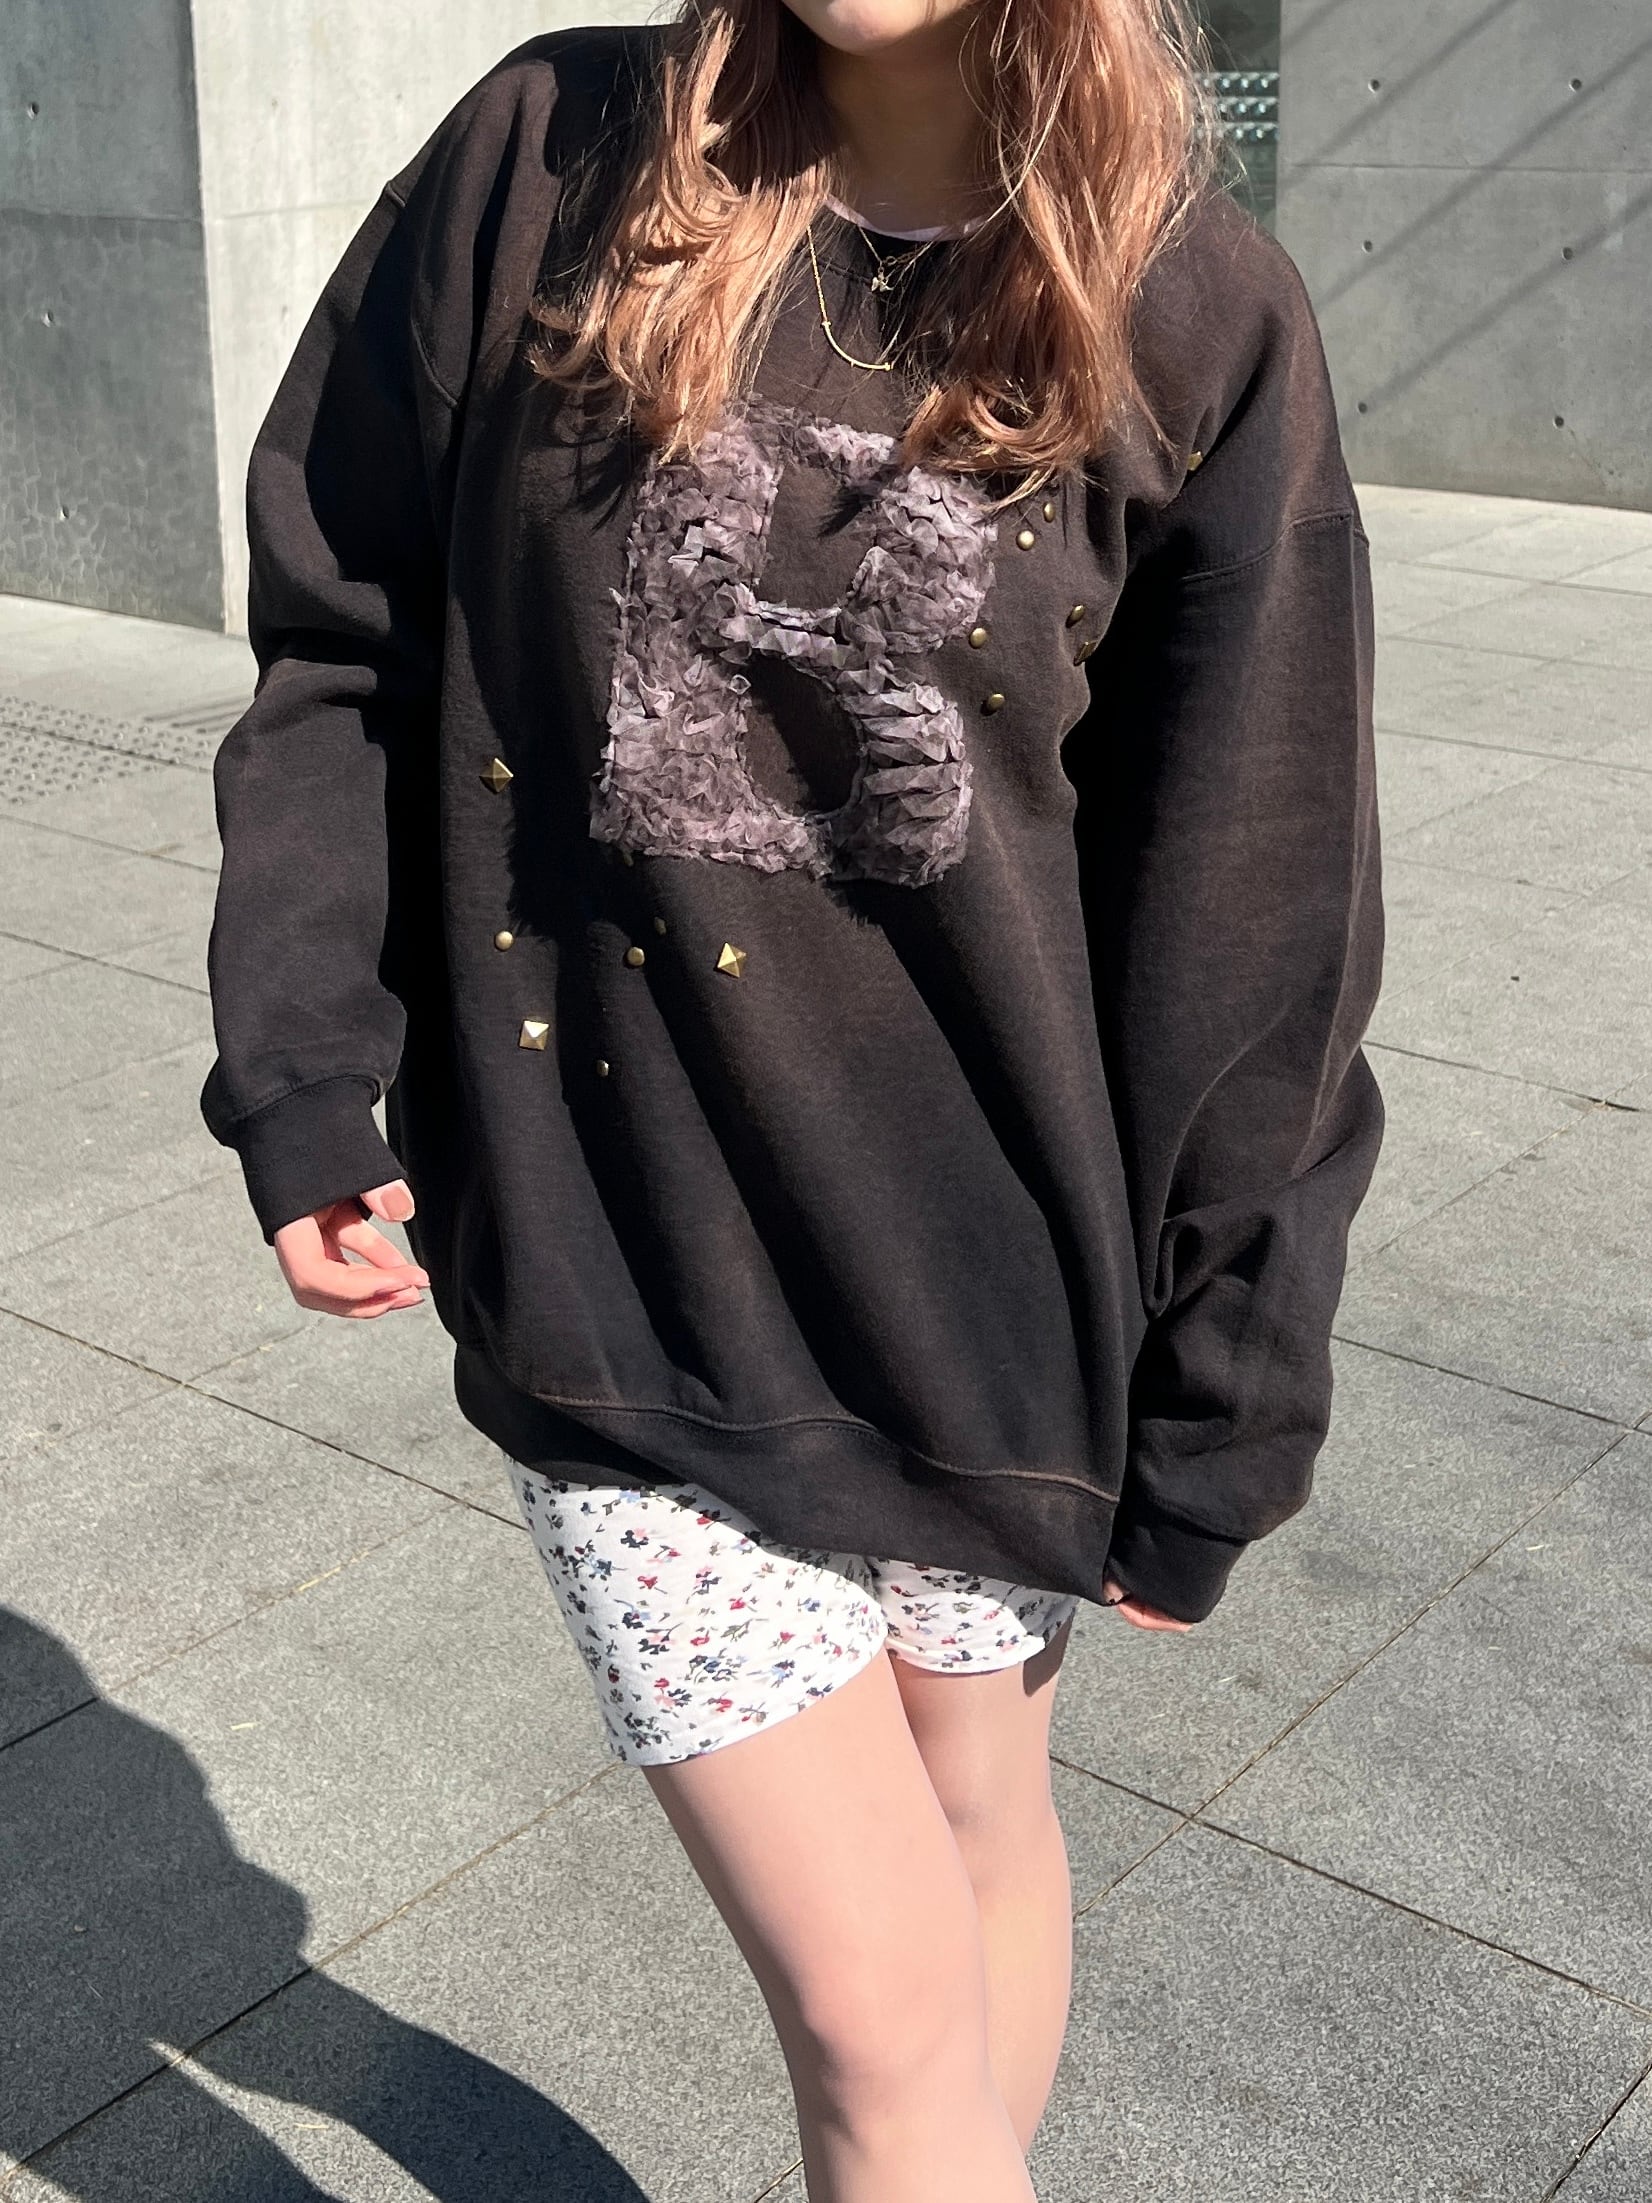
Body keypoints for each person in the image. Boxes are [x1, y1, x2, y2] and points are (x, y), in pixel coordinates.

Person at [201, 2, 1386, 2196]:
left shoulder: (1196, 306)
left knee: (978, 1829)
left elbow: (1257, 905)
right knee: (874, 2022)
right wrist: (306, 1056)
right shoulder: (546, 159)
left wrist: (1227, 1383)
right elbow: (346, 632)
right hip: (618, 1251)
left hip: (994, 1292)